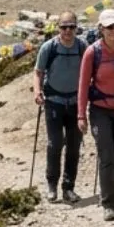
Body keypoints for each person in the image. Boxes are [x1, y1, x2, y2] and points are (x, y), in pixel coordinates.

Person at [78, 8, 114, 221]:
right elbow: (83, 85)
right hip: (100, 109)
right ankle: (109, 203)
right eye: (110, 27)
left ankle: (108, 184)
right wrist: (81, 115)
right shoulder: (93, 52)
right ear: (101, 29)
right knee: (106, 155)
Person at [33, 12, 87, 203]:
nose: (67, 31)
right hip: (54, 102)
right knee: (54, 144)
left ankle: (68, 187)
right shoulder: (49, 47)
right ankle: (51, 185)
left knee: (73, 147)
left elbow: (90, 71)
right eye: (64, 27)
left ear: (76, 28)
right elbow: (38, 72)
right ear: (58, 28)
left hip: (75, 103)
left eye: (71, 27)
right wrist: (37, 91)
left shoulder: (82, 47)